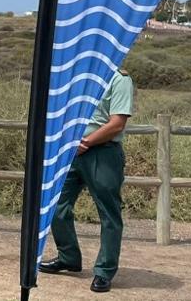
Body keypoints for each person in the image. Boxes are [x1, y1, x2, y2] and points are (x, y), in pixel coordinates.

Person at [39, 68, 135, 294]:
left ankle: (104, 271)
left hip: (102, 153)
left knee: (108, 213)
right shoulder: (79, 74)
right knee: (56, 204)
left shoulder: (120, 79)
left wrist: (86, 142)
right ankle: (68, 257)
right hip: (70, 151)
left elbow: (117, 123)